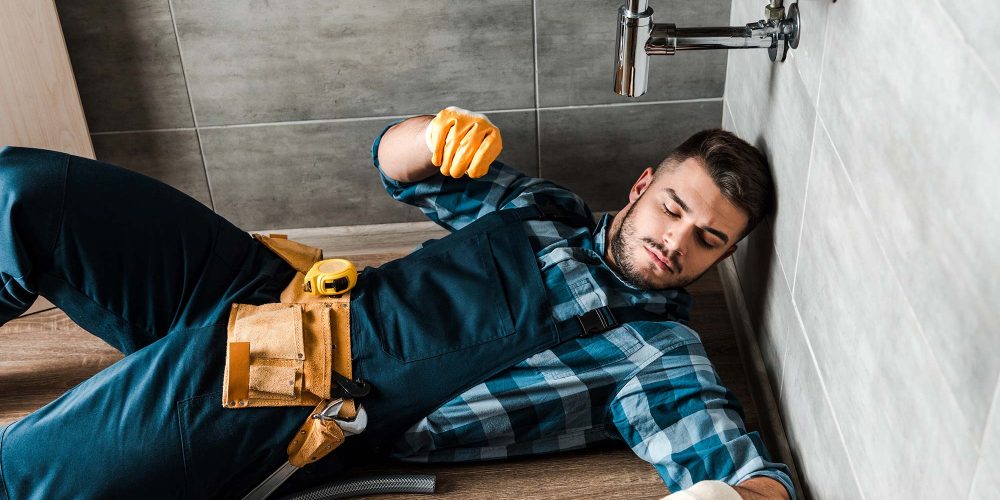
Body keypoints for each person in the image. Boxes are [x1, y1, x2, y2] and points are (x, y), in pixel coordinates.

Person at [0, 106, 793, 500]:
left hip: (295, 383)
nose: (675, 243)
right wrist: (434, 132)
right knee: (24, 192)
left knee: (22, 475)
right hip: (272, 286)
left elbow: (749, 473)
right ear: (643, 186)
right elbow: (396, 164)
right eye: (674, 208)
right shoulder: (545, 210)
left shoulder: (657, 353)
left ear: (724, 257)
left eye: (708, 240)